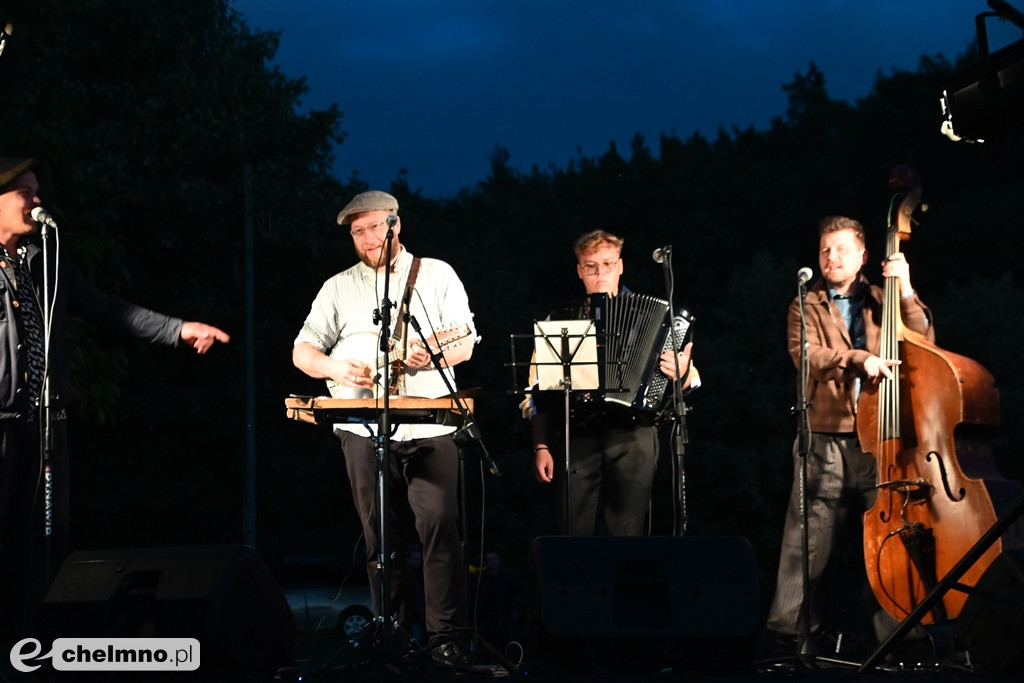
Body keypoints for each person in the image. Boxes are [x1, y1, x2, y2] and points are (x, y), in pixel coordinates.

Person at [0, 157, 230, 639]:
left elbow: (106, 306)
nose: (38, 200)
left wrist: (177, 329)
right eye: (26, 191)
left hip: (44, 423)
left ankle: (31, 649)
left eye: (38, 190)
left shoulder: (43, 261)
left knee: (44, 543)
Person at [292, 190, 478, 664]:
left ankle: (445, 640)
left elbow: (465, 341)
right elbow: (303, 350)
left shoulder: (436, 274)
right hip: (360, 425)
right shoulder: (338, 287)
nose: (369, 238)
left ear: (397, 224)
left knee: (439, 528)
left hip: (429, 421)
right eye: (359, 231)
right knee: (379, 539)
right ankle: (390, 638)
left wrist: (433, 353)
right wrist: (333, 367)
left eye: (377, 227)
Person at [764, 215, 934, 655]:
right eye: (824, 249)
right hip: (824, 435)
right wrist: (861, 359)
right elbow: (808, 355)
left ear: (863, 255)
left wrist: (908, 288)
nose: (830, 257)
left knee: (890, 539)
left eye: (840, 248)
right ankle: (788, 635)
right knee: (806, 540)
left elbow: (924, 339)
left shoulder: (884, 299)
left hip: (881, 437)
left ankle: (904, 636)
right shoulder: (806, 303)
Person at [523, 230, 698, 536]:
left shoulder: (652, 315)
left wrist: (680, 372)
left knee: (629, 531)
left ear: (620, 266)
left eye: (607, 264)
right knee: (571, 531)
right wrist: (540, 445)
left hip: (634, 429)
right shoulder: (559, 319)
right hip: (577, 431)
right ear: (580, 271)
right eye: (591, 266)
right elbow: (536, 390)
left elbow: (691, 378)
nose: (600, 273)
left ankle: (627, 584)